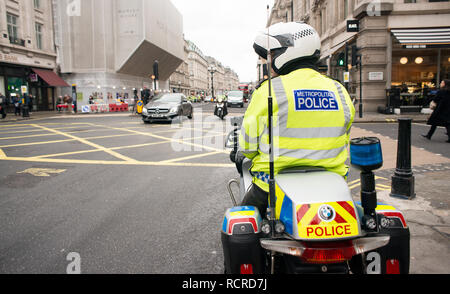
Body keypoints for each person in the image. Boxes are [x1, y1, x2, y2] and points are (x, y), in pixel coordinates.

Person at [237, 22, 355, 217]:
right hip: (333, 181)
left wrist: (245, 154)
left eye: (272, 54)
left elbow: (248, 146)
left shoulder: (269, 90)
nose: (270, 61)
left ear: (287, 52)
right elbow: (344, 135)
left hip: (271, 183)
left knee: (243, 222)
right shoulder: (339, 90)